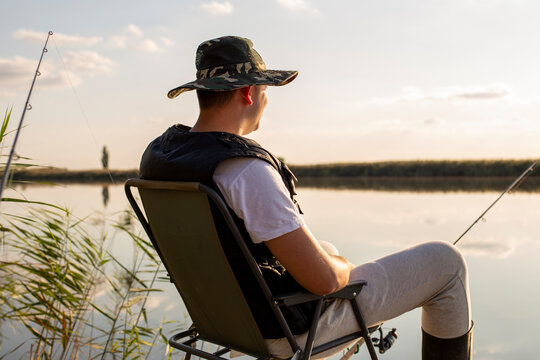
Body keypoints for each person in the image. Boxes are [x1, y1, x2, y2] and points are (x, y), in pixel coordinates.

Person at [140, 36, 473, 359]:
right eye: (265, 90)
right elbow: (325, 280)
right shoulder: (243, 170)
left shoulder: (162, 158)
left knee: (325, 249)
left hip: (223, 319)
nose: (266, 100)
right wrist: (344, 270)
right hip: (283, 333)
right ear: (247, 92)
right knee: (446, 262)